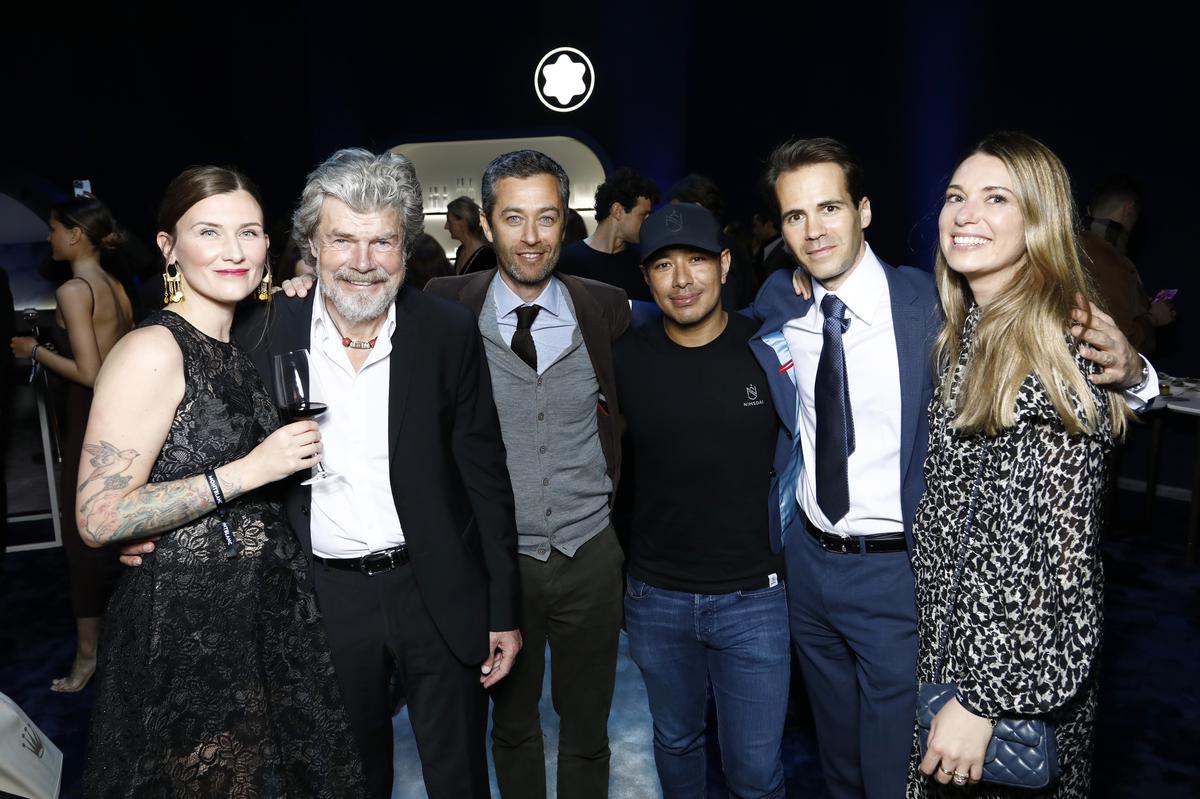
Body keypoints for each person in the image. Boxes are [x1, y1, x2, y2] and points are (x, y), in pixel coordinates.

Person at [750, 137, 1153, 799]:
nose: (814, 229)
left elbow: (1060, 563)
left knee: (896, 771)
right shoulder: (787, 302)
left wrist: (1134, 373)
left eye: (829, 208)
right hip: (812, 571)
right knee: (838, 766)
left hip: (899, 579)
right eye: (796, 216)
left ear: (866, 211)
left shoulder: (934, 312)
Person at [220, 147, 522, 799]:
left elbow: (485, 473)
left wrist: (503, 605)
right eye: (343, 240)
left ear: (407, 246)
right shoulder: (266, 332)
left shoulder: (446, 331)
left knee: (459, 777)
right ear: (310, 246)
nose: (362, 260)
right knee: (344, 779)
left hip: (434, 586)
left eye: (382, 240)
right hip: (324, 599)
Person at [79, 165, 366, 796]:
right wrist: (248, 471)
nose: (234, 251)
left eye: (250, 232)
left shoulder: (237, 342)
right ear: (168, 247)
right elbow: (98, 518)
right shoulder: (154, 349)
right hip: (186, 628)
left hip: (259, 613)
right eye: (209, 232)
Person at [910, 132, 1128, 798]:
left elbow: (1070, 590)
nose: (964, 213)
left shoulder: (1052, 354)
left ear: (1039, 223)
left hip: (1004, 699)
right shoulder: (967, 337)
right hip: (950, 669)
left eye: (995, 198)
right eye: (955, 196)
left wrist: (984, 700)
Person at [425, 150, 630, 799]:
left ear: (564, 222)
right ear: (488, 225)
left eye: (546, 218)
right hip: (497, 561)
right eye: (514, 218)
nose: (532, 236)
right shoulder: (442, 309)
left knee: (588, 724)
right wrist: (293, 289)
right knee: (511, 726)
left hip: (591, 552)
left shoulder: (608, 309)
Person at [615, 203, 789, 798]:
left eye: (695, 260)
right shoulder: (625, 359)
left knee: (756, 774)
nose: (682, 279)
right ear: (647, 278)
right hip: (656, 596)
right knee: (676, 743)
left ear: (724, 264)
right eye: (663, 265)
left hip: (755, 599)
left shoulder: (768, 349)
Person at [9, 194, 133, 692]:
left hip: (91, 422)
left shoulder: (74, 290)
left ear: (76, 235)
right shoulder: (117, 287)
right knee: (119, 535)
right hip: (122, 420)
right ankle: (127, 646)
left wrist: (34, 348)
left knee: (85, 542)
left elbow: (90, 372)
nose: (49, 237)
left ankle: (88, 657)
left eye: (56, 229)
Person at [1080, 175, 1173, 355]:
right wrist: (1153, 318)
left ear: (1090, 211)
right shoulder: (1112, 261)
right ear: (1129, 209)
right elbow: (1120, 340)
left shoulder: (1068, 247)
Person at [556, 166, 658, 302]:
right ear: (617, 211)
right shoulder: (565, 263)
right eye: (643, 215)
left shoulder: (643, 264)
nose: (648, 222)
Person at [446, 195, 498, 275]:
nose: (446, 226)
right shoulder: (460, 250)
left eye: (449, 221)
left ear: (463, 221)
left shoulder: (487, 256)